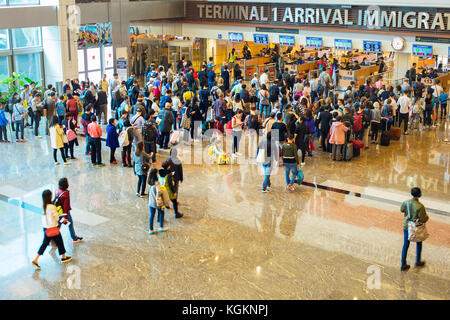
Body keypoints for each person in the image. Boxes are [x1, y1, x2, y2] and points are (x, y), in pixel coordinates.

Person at [31, 190, 72, 269]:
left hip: (46, 228)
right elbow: (57, 218)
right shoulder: (52, 207)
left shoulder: (44, 206)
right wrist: (61, 217)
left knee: (44, 244)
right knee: (60, 242)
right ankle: (63, 257)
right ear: (50, 196)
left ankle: (35, 260)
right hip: (53, 228)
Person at [400, 187, 429, 271]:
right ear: (419, 195)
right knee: (419, 242)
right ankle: (418, 261)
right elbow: (424, 219)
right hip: (415, 228)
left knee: (406, 244)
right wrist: (426, 215)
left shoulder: (406, 202)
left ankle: (403, 264)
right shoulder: (420, 206)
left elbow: (402, 210)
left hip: (406, 225)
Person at [55, 177, 83, 243]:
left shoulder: (57, 191)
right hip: (64, 213)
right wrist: (66, 217)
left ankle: (53, 237)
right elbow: (66, 207)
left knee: (59, 224)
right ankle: (74, 238)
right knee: (69, 224)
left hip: (58, 211)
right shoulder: (66, 194)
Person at [147, 168, 171, 234]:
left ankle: (150, 229)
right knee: (161, 213)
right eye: (157, 173)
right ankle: (161, 227)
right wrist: (160, 203)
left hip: (151, 202)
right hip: (157, 202)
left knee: (152, 215)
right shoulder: (157, 183)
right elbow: (158, 193)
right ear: (155, 174)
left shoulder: (149, 181)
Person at [166, 149, 184, 219]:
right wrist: (181, 178)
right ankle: (175, 202)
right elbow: (180, 171)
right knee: (175, 191)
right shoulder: (178, 161)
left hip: (168, 178)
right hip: (175, 178)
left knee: (168, 190)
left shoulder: (167, 160)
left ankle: (167, 204)